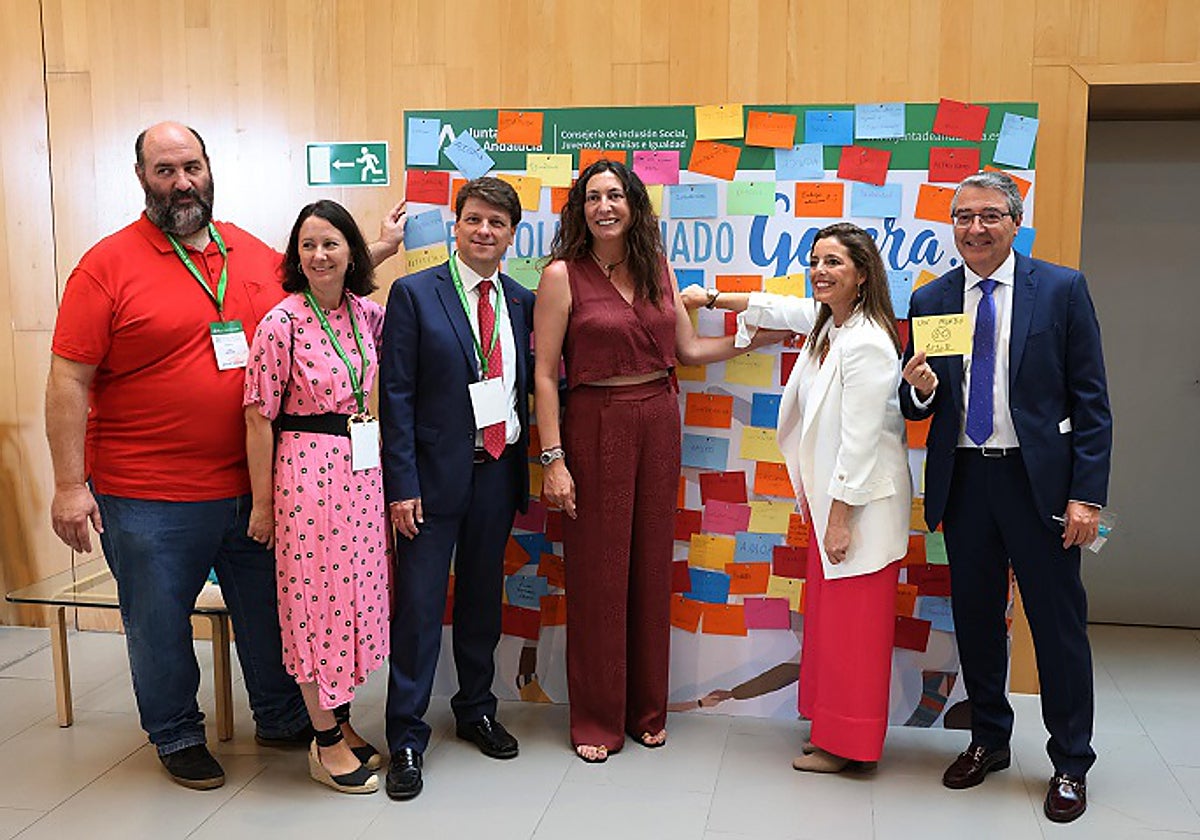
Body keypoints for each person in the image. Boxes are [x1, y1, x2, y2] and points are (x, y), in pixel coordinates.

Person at [45, 121, 405, 790]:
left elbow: (319, 283)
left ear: (210, 168)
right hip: (148, 491)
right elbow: (68, 378)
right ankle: (177, 733)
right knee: (158, 625)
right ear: (143, 179)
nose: (183, 182)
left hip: (256, 484)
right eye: (165, 170)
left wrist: (374, 248)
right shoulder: (106, 265)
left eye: (192, 166)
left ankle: (281, 717)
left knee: (273, 611)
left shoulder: (248, 249)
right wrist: (70, 484)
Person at [533, 159, 789, 763]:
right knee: (598, 573)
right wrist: (553, 459)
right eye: (592, 197)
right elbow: (545, 376)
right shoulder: (562, 276)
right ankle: (597, 719)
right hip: (595, 421)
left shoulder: (658, 269)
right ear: (579, 209)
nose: (604, 207)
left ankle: (646, 708)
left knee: (649, 566)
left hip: (659, 416)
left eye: (615, 195)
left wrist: (766, 333)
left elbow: (691, 350)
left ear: (634, 205)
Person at [899, 171, 1111, 823]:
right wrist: (922, 388)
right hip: (966, 483)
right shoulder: (932, 298)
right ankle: (989, 738)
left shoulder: (1061, 289)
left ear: (1015, 222)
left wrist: (1087, 496)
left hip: (1038, 484)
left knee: (1057, 626)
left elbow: (1092, 403)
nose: (975, 228)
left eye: (989, 215)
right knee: (977, 621)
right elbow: (915, 401)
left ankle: (1071, 761)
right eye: (963, 216)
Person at [684, 222, 912, 773]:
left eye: (834, 262)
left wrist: (838, 523)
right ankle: (833, 735)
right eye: (815, 260)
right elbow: (774, 306)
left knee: (855, 635)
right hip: (833, 509)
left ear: (862, 275)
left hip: (856, 511)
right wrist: (711, 297)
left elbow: (859, 447)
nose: (820, 271)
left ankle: (850, 747)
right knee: (834, 632)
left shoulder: (867, 344)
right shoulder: (828, 323)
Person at [378, 177, 533, 800]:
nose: (484, 231)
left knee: (480, 602)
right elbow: (396, 396)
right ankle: (407, 738)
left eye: (497, 223)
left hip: (497, 473)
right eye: (474, 220)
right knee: (417, 610)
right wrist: (402, 485)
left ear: (512, 234)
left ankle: (476, 710)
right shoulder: (415, 294)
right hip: (431, 483)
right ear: (456, 224)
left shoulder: (521, 301)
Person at [243, 200, 389, 794]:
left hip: (361, 471)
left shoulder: (367, 315)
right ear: (294, 256)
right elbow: (258, 419)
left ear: (351, 250)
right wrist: (262, 505)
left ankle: (344, 721)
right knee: (316, 606)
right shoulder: (282, 323)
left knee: (354, 601)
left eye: (331, 243)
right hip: (306, 475)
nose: (319, 255)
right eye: (308, 245)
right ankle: (323, 740)